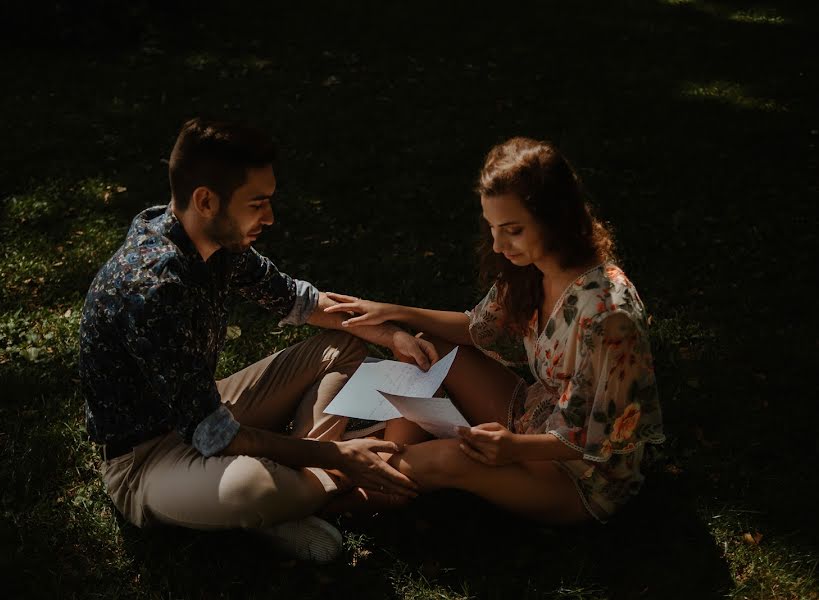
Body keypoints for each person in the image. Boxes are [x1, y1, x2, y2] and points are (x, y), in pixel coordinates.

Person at [78, 118, 438, 563]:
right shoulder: (154, 288)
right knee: (254, 488)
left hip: (202, 410)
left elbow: (298, 300)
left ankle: (303, 484)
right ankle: (297, 492)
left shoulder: (210, 240)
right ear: (206, 201)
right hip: (143, 460)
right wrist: (340, 456)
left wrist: (393, 334)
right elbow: (216, 436)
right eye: (258, 203)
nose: (270, 217)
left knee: (340, 346)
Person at [323, 136, 665, 523]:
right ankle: (388, 459)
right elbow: (476, 328)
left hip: (582, 476)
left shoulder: (608, 316)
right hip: (534, 419)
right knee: (426, 347)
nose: (499, 246)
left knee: (451, 456)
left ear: (557, 217)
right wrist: (394, 312)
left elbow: (601, 439)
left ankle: (313, 494)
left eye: (513, 230)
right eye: (493, 228)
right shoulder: (533, 268)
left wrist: (513, 448)